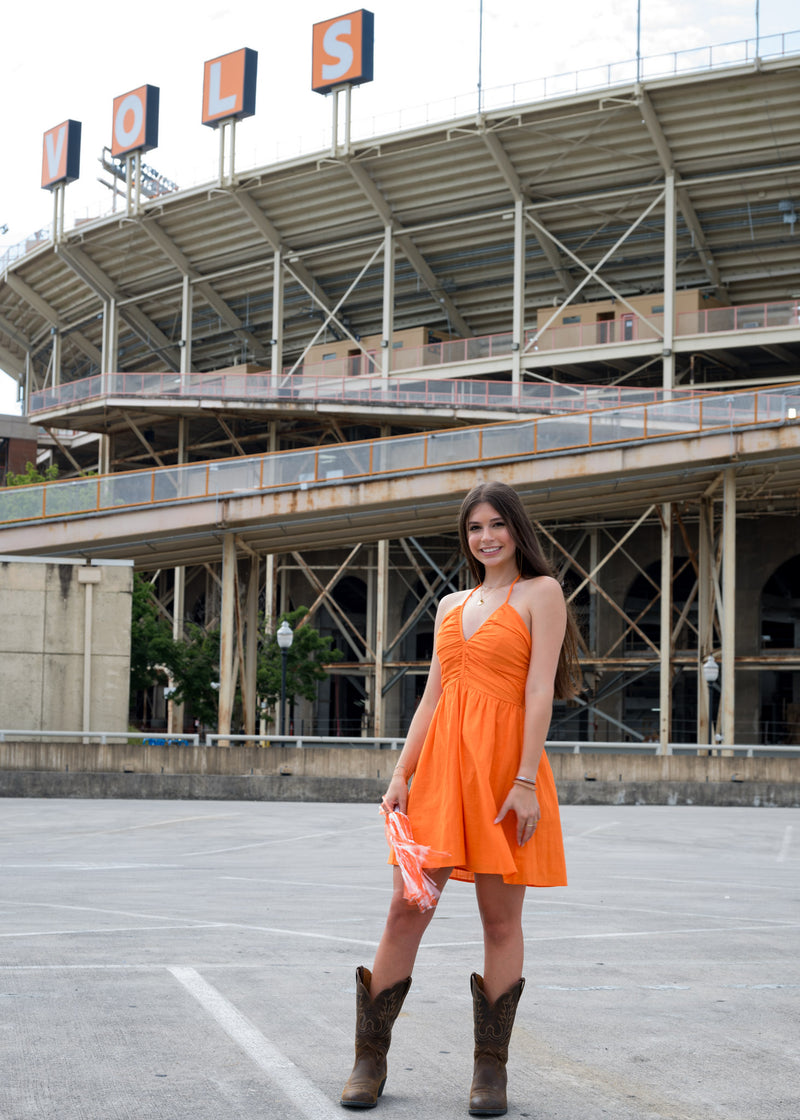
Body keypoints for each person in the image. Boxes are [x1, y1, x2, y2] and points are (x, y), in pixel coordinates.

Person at [341, 480, 582, 1115]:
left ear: (517, 529)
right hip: (442, 771)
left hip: (506, 774)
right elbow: (432, 698)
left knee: (500, 920)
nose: (487, 537)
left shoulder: (543, 593)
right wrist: (401, 773)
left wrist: (525, 781)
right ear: (466, 536)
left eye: (498, 524)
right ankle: (369, 1059)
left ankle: (490, 1072)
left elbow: (538, 694)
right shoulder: (451, 603)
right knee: (405, 908)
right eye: (475, 527)